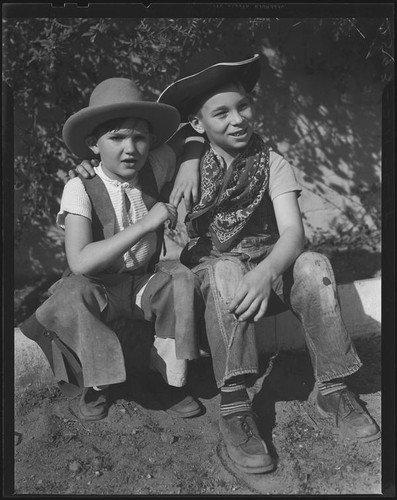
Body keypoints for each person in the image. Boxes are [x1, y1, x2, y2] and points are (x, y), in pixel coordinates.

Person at [156, 49, 381, 474]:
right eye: (220, 113)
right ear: (198, 124)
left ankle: (332, 387)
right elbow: (125, 160)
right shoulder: (181, 160)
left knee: (314, 266)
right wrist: (187, 152)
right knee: (225, 271)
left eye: (243, 106)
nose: (238, 119)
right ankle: (237, 404)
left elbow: (293, 233)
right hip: (213, 269)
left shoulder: (271, 161)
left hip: (265, 265)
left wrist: (265, 272)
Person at [18, 77, 205, 422]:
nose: (130, 148)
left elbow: (195, 132)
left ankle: (165, 380)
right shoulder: (79, 187)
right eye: (116, 138)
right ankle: (95, 385)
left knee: (181, 282)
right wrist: (147, 224)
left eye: (139, 137)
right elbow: (80, 260)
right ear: (93, 145)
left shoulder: (156, 163)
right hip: (98, 286)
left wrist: (191, 157)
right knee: (71, 296)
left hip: (139, 283)